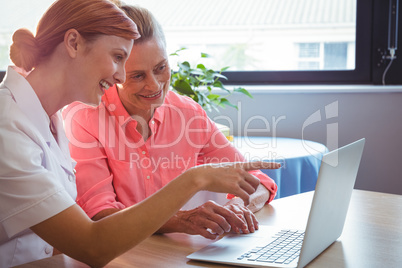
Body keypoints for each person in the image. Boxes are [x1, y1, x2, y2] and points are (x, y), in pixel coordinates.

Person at [0, 0, 280, 267]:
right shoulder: (9, 128)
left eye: (160, 67)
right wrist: (195, 179)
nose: (120, 77)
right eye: (118, 57)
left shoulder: (51, 119)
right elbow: (92, 245)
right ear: (73, 43)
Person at [63, 4, 279, 240]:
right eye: (137, 76)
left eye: (161, 68)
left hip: (173, 255)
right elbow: (100, 215)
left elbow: (257, 180)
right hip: (118, 255)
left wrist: (238, 205)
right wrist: (180, 221)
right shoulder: (84, 116)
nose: (155, 85)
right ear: (115, 73)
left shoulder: (187, 112)